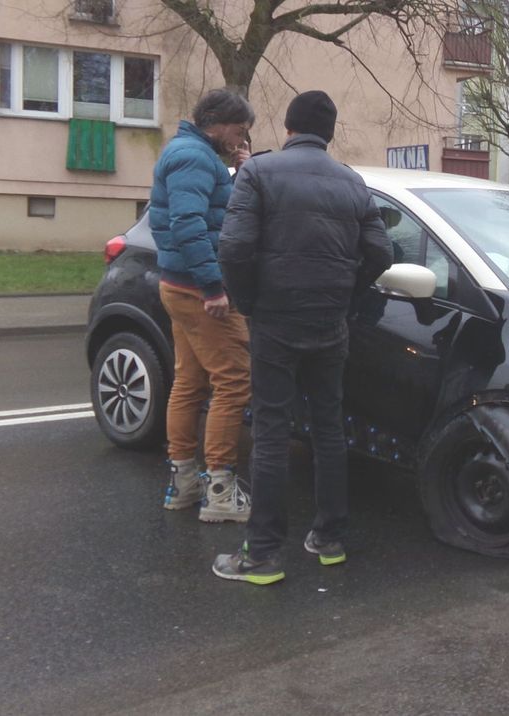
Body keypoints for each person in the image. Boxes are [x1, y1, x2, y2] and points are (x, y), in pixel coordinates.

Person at [213, 90, 393, 585]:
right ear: (329, 135)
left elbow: (233, 247)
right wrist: (347, 296)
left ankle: (264, 556)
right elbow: (381, 252)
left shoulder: (258, 173)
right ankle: (330, 539)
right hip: (330, 323)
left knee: (271, 431)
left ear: (288, 129)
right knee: (329, 428)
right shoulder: (353, 183)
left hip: (275, 320)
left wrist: (248, 301)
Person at [149, 88, 255, 523]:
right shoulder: (193, 156)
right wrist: (213, 287)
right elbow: (189, 223)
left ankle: (184, 483)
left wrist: (239, 171)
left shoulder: (194, 153)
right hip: (199, 290)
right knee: (233, 382)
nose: (241, 137)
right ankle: (220, 492)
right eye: (238, 129)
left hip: (180, 285)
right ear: (216, 122)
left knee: (190, 382)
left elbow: (210, 207)